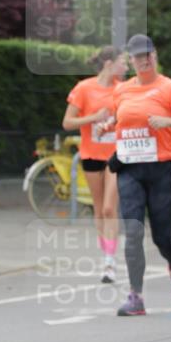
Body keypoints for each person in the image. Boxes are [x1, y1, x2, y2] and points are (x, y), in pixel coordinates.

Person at [97, 34, 171, 316]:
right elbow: (121, 117)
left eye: (148, 55)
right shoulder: (122, 90)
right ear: (131, 61)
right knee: (132, 231)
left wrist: (167, 121)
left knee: (162, 236)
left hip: (160, 168)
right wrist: (108, 125)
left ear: (154, 56)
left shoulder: (169, 87)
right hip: (129, 168)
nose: (144, 60)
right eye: (138, 56)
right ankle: (136, 296)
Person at [62, 47, 128, 283]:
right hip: (91, 155)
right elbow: (67, 122)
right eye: (123, 62)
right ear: (109, 63)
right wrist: (94, 118)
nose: (126, 67)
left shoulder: (123, 90)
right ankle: (106, 254)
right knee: (99, 209)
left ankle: (110, 262)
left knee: (110, 208)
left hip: (115, 156)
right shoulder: (84, 88)